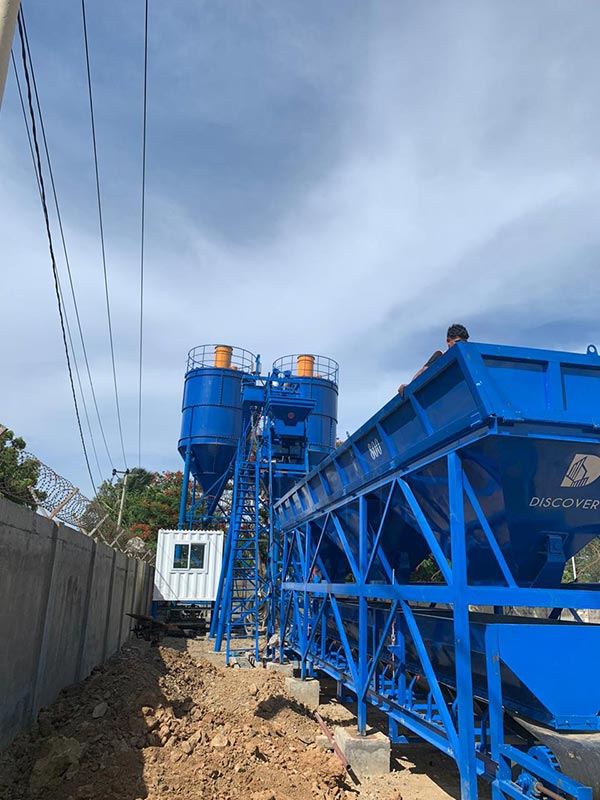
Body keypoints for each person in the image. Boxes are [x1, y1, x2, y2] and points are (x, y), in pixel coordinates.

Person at [398, 324, 469, 396]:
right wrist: (409, 387)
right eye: (458, 342)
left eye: (464, 342)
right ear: (448, 341)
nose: (461, 345)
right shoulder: (440, 355)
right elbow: (424, 371)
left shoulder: (469, 358)